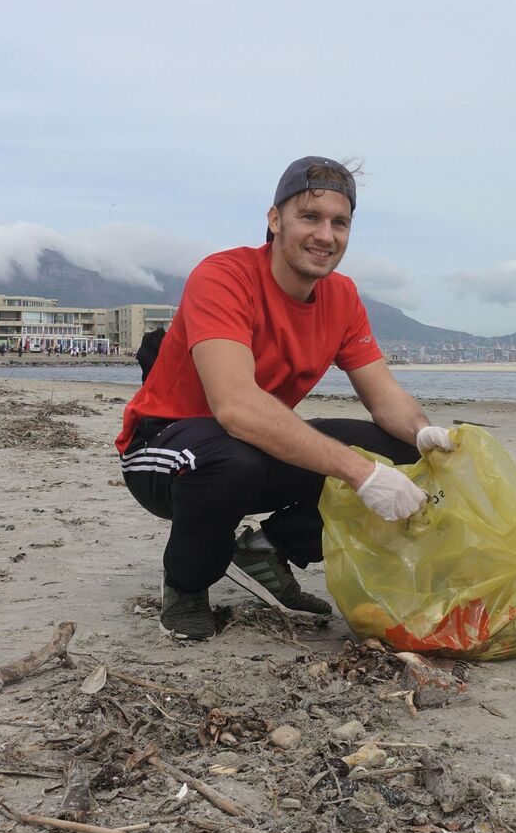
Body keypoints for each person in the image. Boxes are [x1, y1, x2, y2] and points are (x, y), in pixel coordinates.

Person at [116, 156, 454, 641]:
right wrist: (360, 474)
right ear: (275, 221)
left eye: (340, 222)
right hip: (162, 449)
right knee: (236, 459)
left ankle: (269, 547)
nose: (325, 235)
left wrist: (424, 433)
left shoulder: (342, 297)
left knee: (399, 451)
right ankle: (186, 585)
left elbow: (385, 398)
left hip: (251, 444)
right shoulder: (224, 276)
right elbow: (236, 407)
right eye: (310, 217)